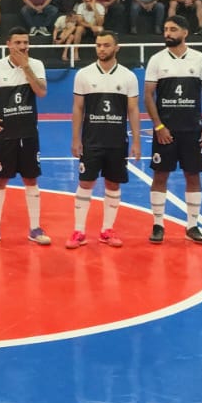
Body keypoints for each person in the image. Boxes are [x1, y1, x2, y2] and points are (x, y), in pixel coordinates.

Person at [0, 27, 49, 245]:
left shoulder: (36, 65)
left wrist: (26, 68)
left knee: (31, 179)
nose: (22, 46)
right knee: (0, 180)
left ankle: (35, 229)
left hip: (29, 133)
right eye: (18, 42)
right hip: (4, 135)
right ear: (8, 44)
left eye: (25, 42)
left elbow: (41, 92)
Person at [141, 15, 202, 244]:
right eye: (165, 29)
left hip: (192, 130)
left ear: (185, 32)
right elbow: (148, 96)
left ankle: (192, 226)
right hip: (166, 131)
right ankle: (158, 224)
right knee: (160, 175)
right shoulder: (157, 60)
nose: (168, 33)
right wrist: (158, 126)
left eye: (173, 29)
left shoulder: (200, 59)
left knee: (193, 174)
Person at [68, 31, 141, 249]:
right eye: (98, 45)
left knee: (113, 183)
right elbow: (78, 108)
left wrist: (137, 141)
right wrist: (75, 138)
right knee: (85, 183)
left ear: (116, 47)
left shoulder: (128, 76)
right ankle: (79, 231)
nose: (101, 49)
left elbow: (133, 110)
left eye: (106, 45)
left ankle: (107, 230)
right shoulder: (84, 74)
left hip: (117, 141)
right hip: (91, 140)